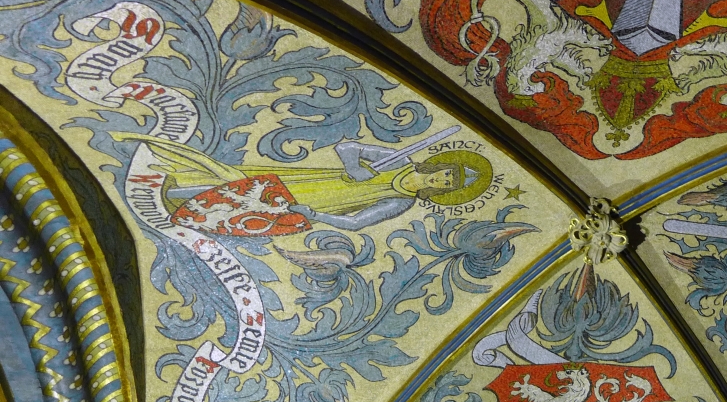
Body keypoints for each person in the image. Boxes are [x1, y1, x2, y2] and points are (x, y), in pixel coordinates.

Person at [114, 133, 493, 236]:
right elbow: (347, 147)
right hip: (312, 181)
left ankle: (175, 203)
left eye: (446, 183)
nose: (441, 179)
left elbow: (357, 222)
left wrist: (317, 216)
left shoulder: (402, 203)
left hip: (317, 204)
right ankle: (171, 191)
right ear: (440, 166)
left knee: (242, 207)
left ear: (443, 191)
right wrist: (354, 165)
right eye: (446, 172)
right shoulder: (397, 160)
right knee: (241, 184)